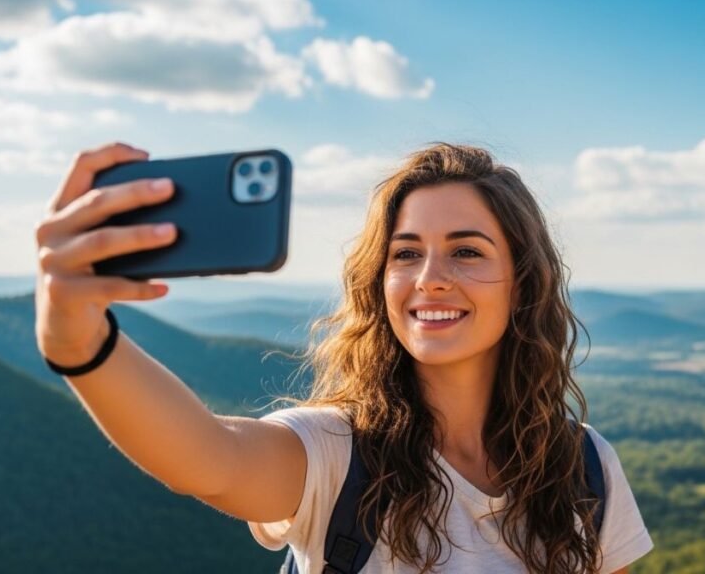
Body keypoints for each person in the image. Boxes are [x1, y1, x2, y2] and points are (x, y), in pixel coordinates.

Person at [35, 141, 653, 573]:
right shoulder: (336, 453)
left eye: (466, 251)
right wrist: (81, 345)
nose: (429, 277)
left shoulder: (584, 466)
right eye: (406, 254)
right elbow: (211, 458)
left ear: (521, 283)